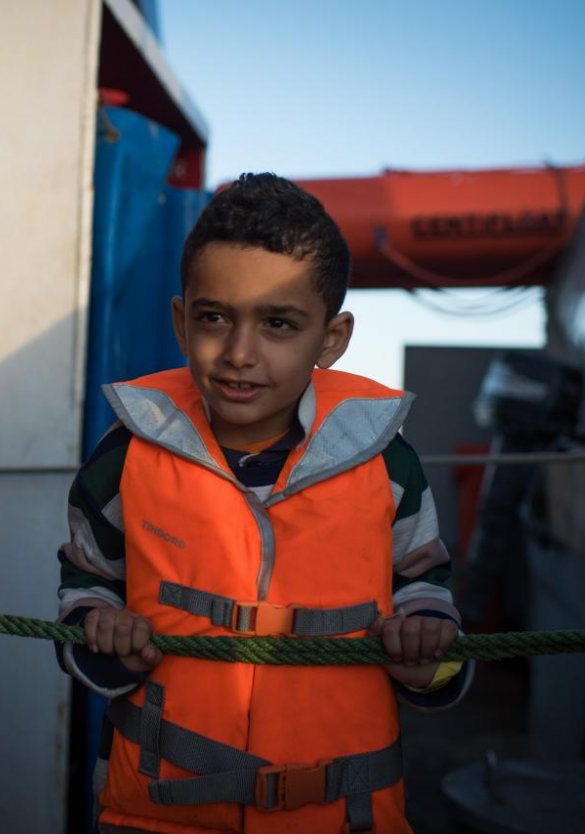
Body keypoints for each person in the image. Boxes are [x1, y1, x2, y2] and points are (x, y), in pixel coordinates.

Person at [56, 173, 473, 834]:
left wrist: (426, 652)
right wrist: (104, 635)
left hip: (345, 819)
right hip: (155, 818)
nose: (239, 354)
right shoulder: (124, 457)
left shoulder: (387, 465)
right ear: (180, 321)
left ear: (331, 339)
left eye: (278, 324)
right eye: (214, 318)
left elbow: (428, 593)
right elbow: (85, 587)